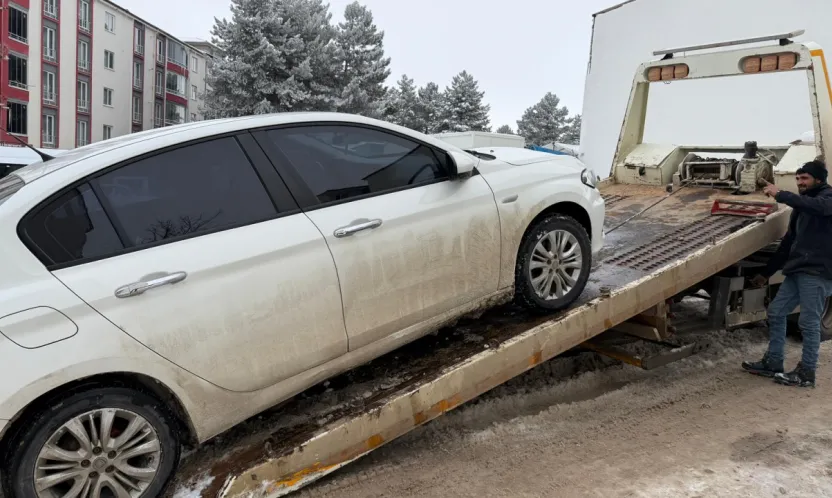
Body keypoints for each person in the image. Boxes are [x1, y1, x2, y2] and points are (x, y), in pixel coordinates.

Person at [742, 159, 832, 388]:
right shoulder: (802, 207)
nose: (800, 183)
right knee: (776, 311)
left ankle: (807, 373)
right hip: (797, 269)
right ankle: (773, 362)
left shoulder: (827, 200)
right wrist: (766, 273)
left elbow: (819, 208)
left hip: (817, 272)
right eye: (798, 179)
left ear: (819, 180)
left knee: (809, 323)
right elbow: (787, 244)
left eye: (805, 179)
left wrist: (780, 194)